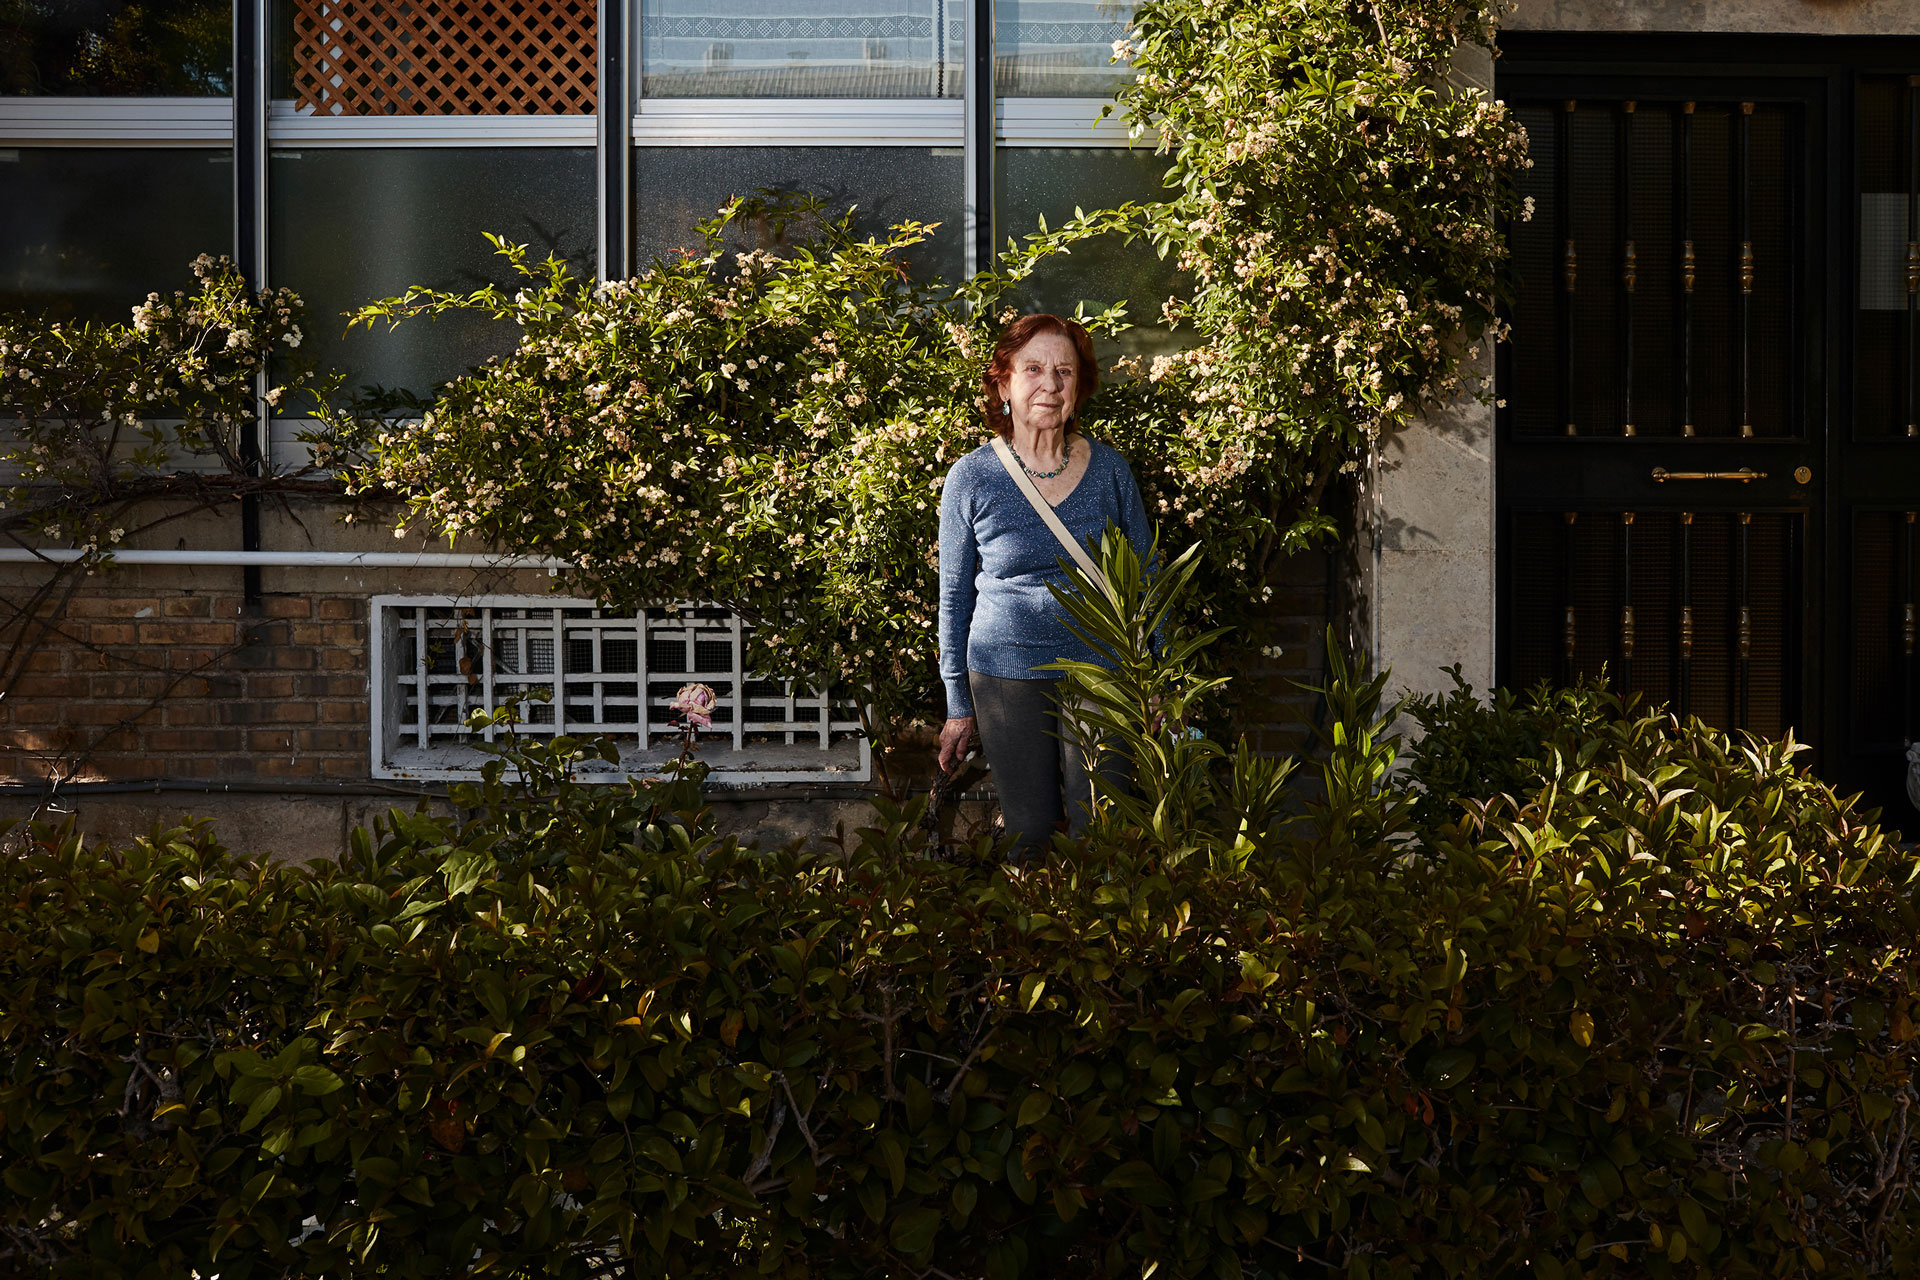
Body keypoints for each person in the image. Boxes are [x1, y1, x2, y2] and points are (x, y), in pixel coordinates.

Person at [936, 313, 1157, 855]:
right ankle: (1033, 913)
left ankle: (1103, 916)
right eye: (1033, 369)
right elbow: (954, 598)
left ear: (1078, 388)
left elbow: (1148, 576)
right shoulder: (972, 477)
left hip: (1102, 666)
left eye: (1064, 371)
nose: (1050, 385)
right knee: (1029, 831)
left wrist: (1160, 679)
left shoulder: (1110, 471)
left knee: (1101, 828)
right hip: (1005, 672)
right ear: (1003, 383)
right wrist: (958, 704)